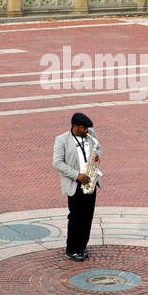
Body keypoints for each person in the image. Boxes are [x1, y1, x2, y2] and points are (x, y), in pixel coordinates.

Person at [53, 112, 102, 262]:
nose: (86, 130)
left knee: (87, 217)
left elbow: (98, 148)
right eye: (83, 128)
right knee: (75, 218)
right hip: (76, 183)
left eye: (87, 128)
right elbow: (57, 163)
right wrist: (76, 175)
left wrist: (98, 155)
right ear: (74, 126)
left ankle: (82, 246)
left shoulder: (90, 133)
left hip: (90, 181)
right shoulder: (62, 140)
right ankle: (71, 249)